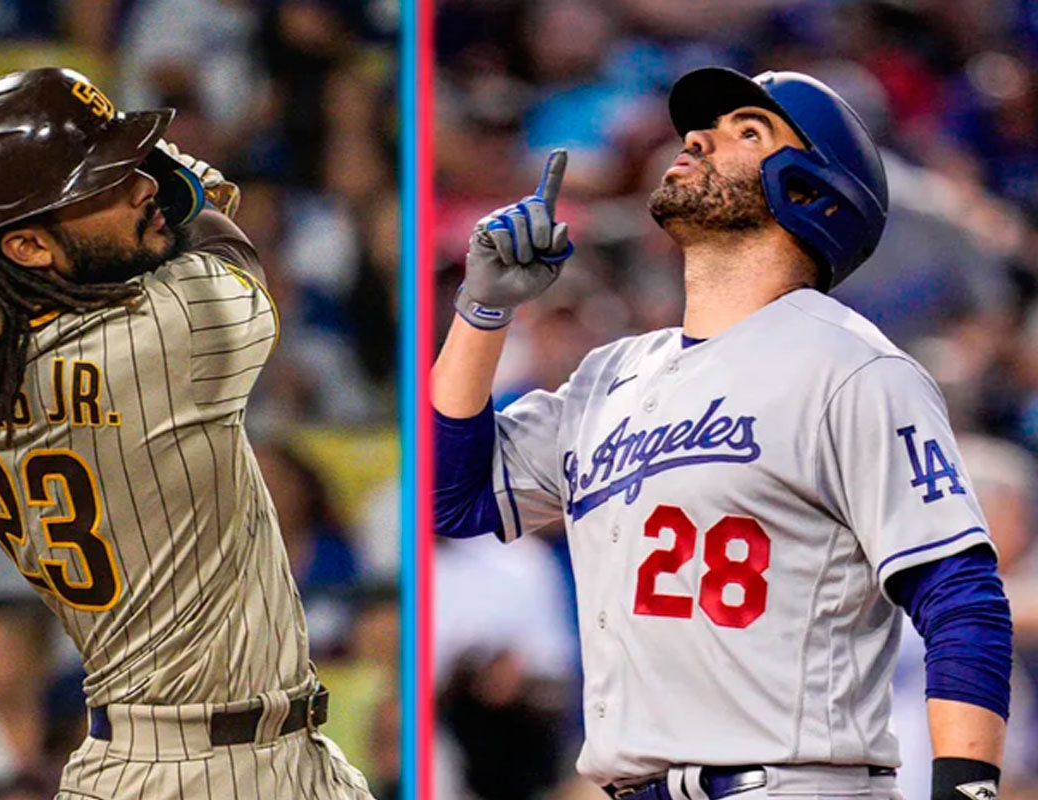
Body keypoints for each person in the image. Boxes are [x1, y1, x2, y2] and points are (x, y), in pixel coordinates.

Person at [433, 67, 1013, 800]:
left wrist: (966, 787)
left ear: (807, 190)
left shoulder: (853, 366)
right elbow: (450, 499)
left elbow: (960, 594)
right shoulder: (612, 375)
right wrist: (482, 314)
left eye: (747, 130)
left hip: (794, 782)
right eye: (700, 127)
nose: (699, 137)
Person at [0, 67, 372, 799]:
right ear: (25, 248)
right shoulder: (169, 336)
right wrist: (184, 183)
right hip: (204, 768)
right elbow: (225, 251)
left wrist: (31, 164)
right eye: (106, 183)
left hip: (204, 759)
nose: (141, 184)